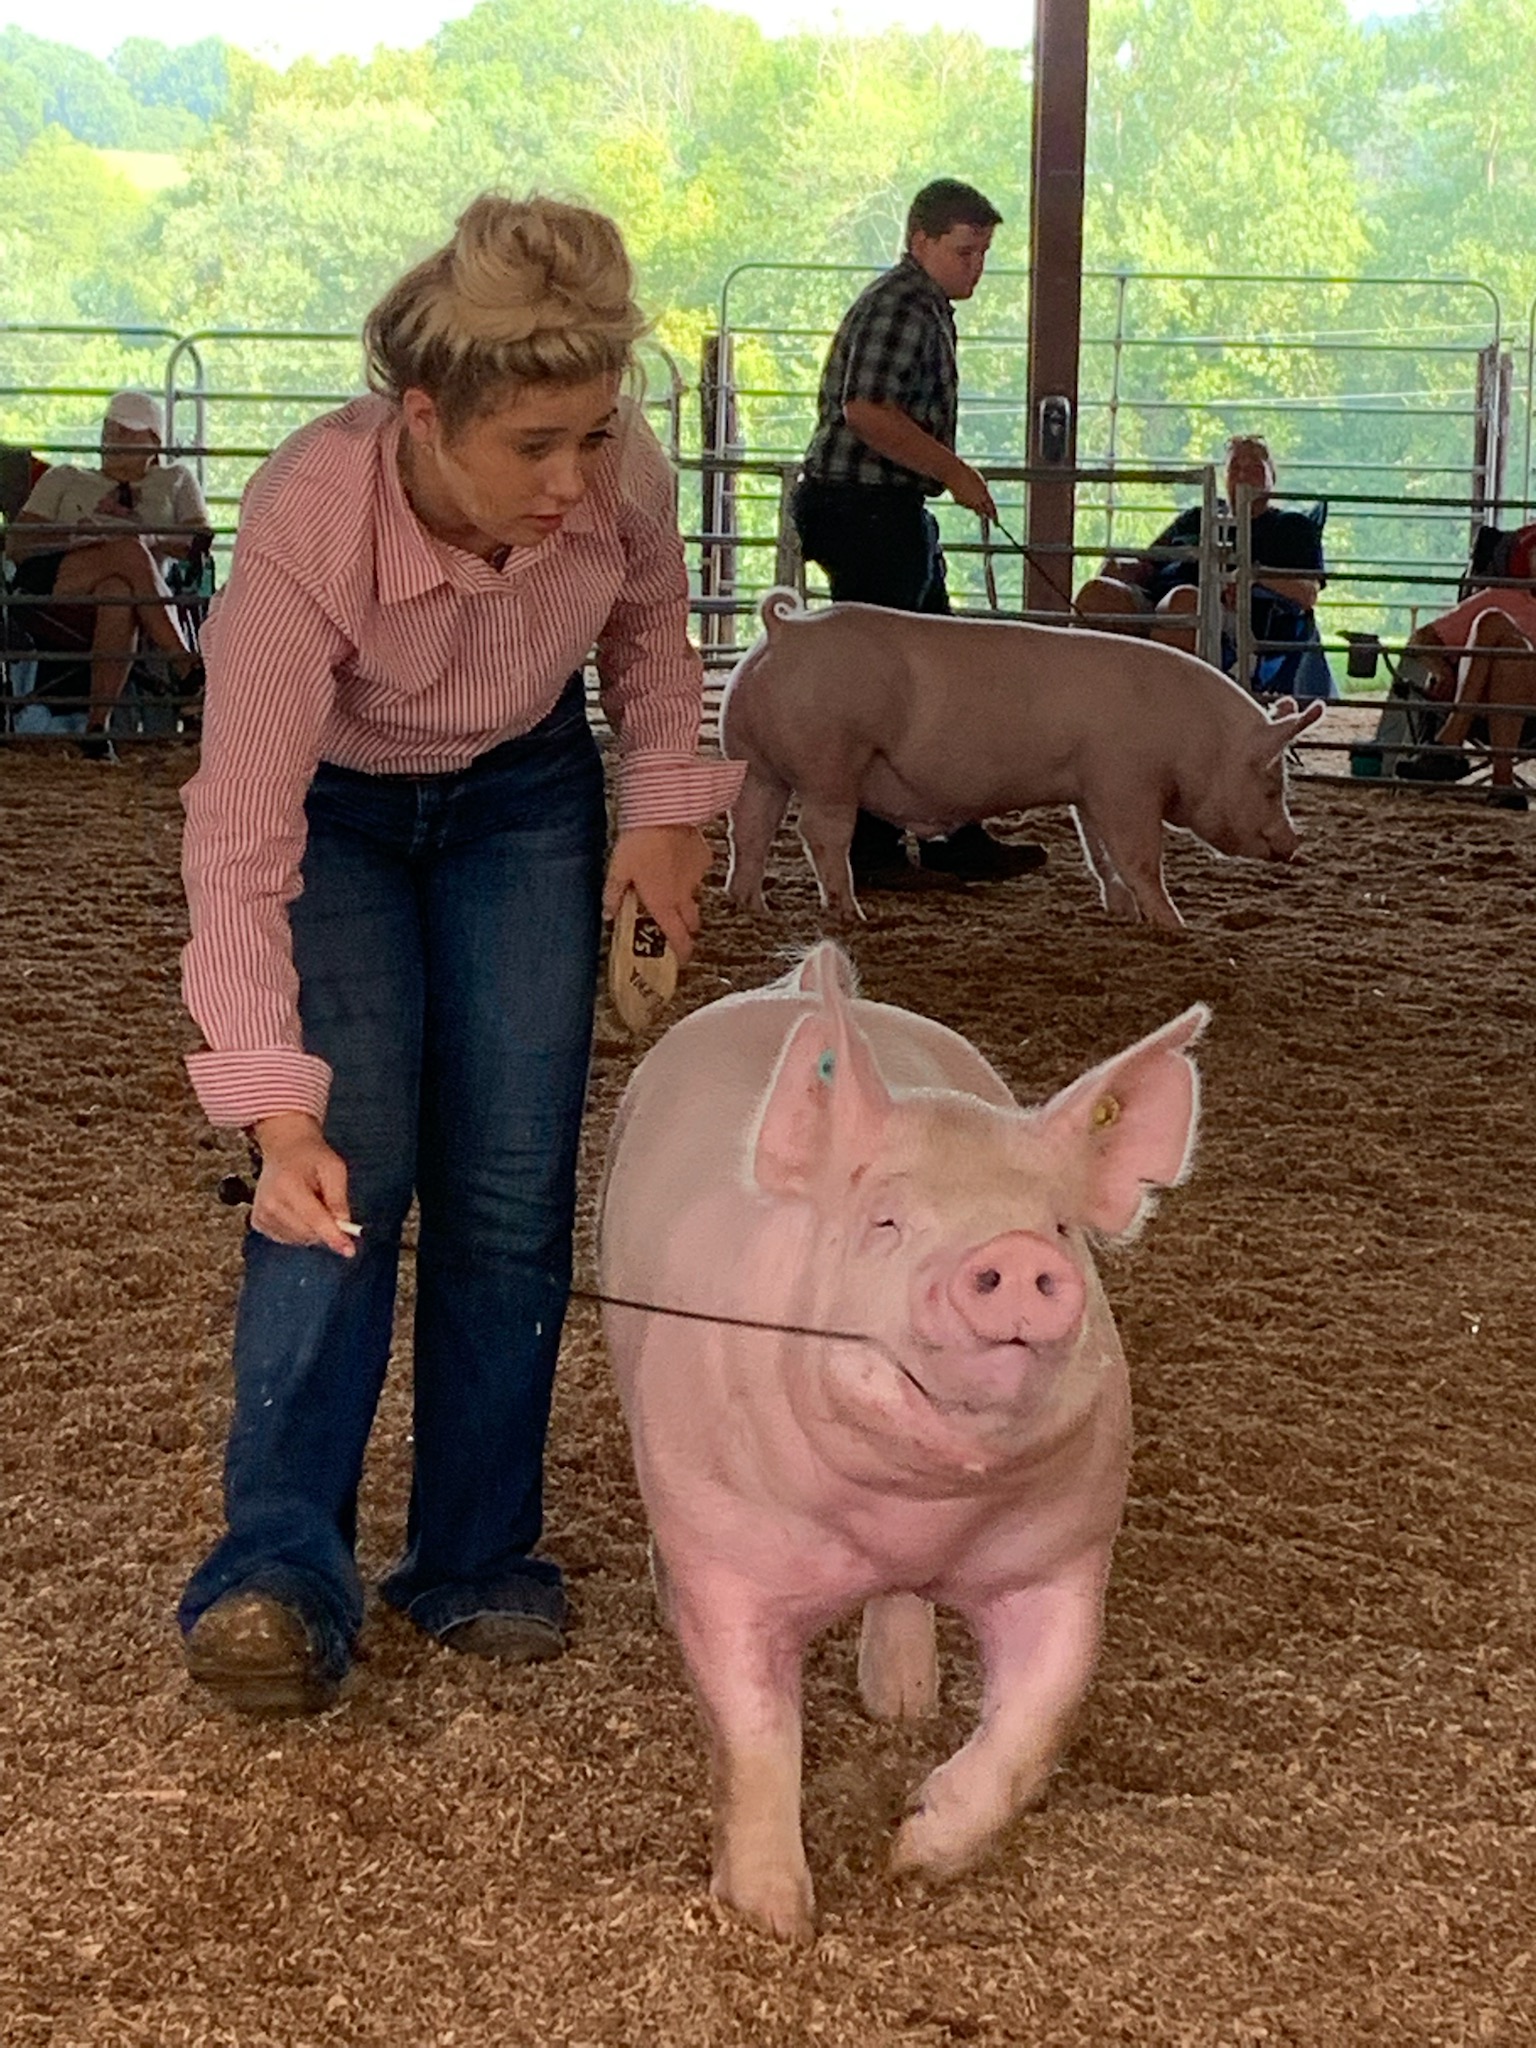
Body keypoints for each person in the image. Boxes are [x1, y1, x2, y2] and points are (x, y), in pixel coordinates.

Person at [177, 193, 744, 1715]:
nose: (580, 479)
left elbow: (651, 642)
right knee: (337, 1181)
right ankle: (279, 1573)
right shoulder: (310, 513)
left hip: (522, 791)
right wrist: (274, 1111)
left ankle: (479, 1557)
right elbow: (239, 838)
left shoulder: (618, 470)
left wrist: (667, 812)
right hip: (338, 811)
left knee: (509, 1186)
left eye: (595, 435)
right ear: (423, 419)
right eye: (534, 449)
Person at [792, 178, 1047, 893]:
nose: (976, 266)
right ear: (922, 241)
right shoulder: (905, 306)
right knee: (898, 685)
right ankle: (876, 844)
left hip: (883, 508)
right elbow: (867, 409)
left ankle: (946, 828)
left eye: (983, 252)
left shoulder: (913, 302)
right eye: (966, 251)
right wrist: (955, 471)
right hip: (868, 508)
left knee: (937, 681)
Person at [5, 389, 208, 757]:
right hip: (58, 583)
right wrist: (80, 533)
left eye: (129, 431)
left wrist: (154, 536)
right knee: (127, 549)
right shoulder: (66, 477)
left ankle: (97, 729)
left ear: (154, 441)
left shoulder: (175, 480)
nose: (114, 439)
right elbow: (19, 544)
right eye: (110, 429)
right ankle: (187, 668)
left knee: (118, 591)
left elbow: (198, 542)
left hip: (130, 595)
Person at [1073, 434, 1335, 702]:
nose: (1243, 475)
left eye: (1255, 468)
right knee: (1098, 594)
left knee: (1184, 603)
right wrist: (1121, 566)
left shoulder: (1291, 526)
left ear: (1272, 477)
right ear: (1225, 476)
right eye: (1235, 467)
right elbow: (1148, 561)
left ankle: (1163, 712)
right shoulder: (1196, 517)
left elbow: (1306, 593)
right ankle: (1090, 705)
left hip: (1232, 618)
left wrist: (1251, 579)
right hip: (1158, 598)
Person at [1395, 585, 1536, 809]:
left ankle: (1449, 744)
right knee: (1492, 621)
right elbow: (1422, 638)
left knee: (1511, 649)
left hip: (1531, 718)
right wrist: (1442, 670)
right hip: (1480, 716)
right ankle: (1502, 782)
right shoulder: (1499, 597)